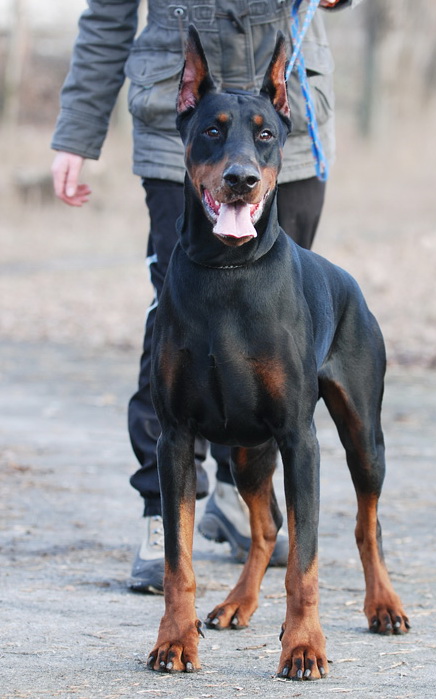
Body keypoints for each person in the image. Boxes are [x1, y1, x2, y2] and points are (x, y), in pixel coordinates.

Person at [51, 0, 356, 594]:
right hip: (182, 123)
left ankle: (246, 497)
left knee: (279, 332)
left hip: (283, 126)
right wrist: (77, 132)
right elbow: (107, 15)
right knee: (176, 318)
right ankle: (167, 507)